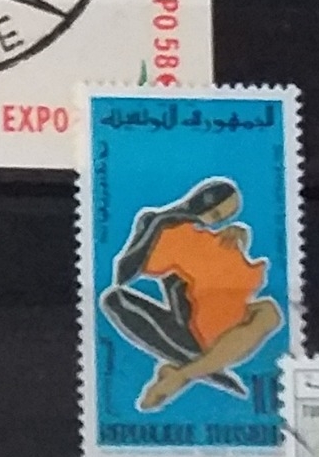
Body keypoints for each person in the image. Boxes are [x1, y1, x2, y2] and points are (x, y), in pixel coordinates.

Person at [99, 174, 286, 413]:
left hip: (227, 322)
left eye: (226, 218)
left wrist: (240, 233)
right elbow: (127, 271)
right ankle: (193, 370)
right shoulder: (173, 232)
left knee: (270, 311)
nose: (218, 224)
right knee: (114, 299)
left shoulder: (206, 236)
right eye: (216, 216)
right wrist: (156, 224)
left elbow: (225, 267)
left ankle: (182, 374)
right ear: (201, 204)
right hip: (201, 328)